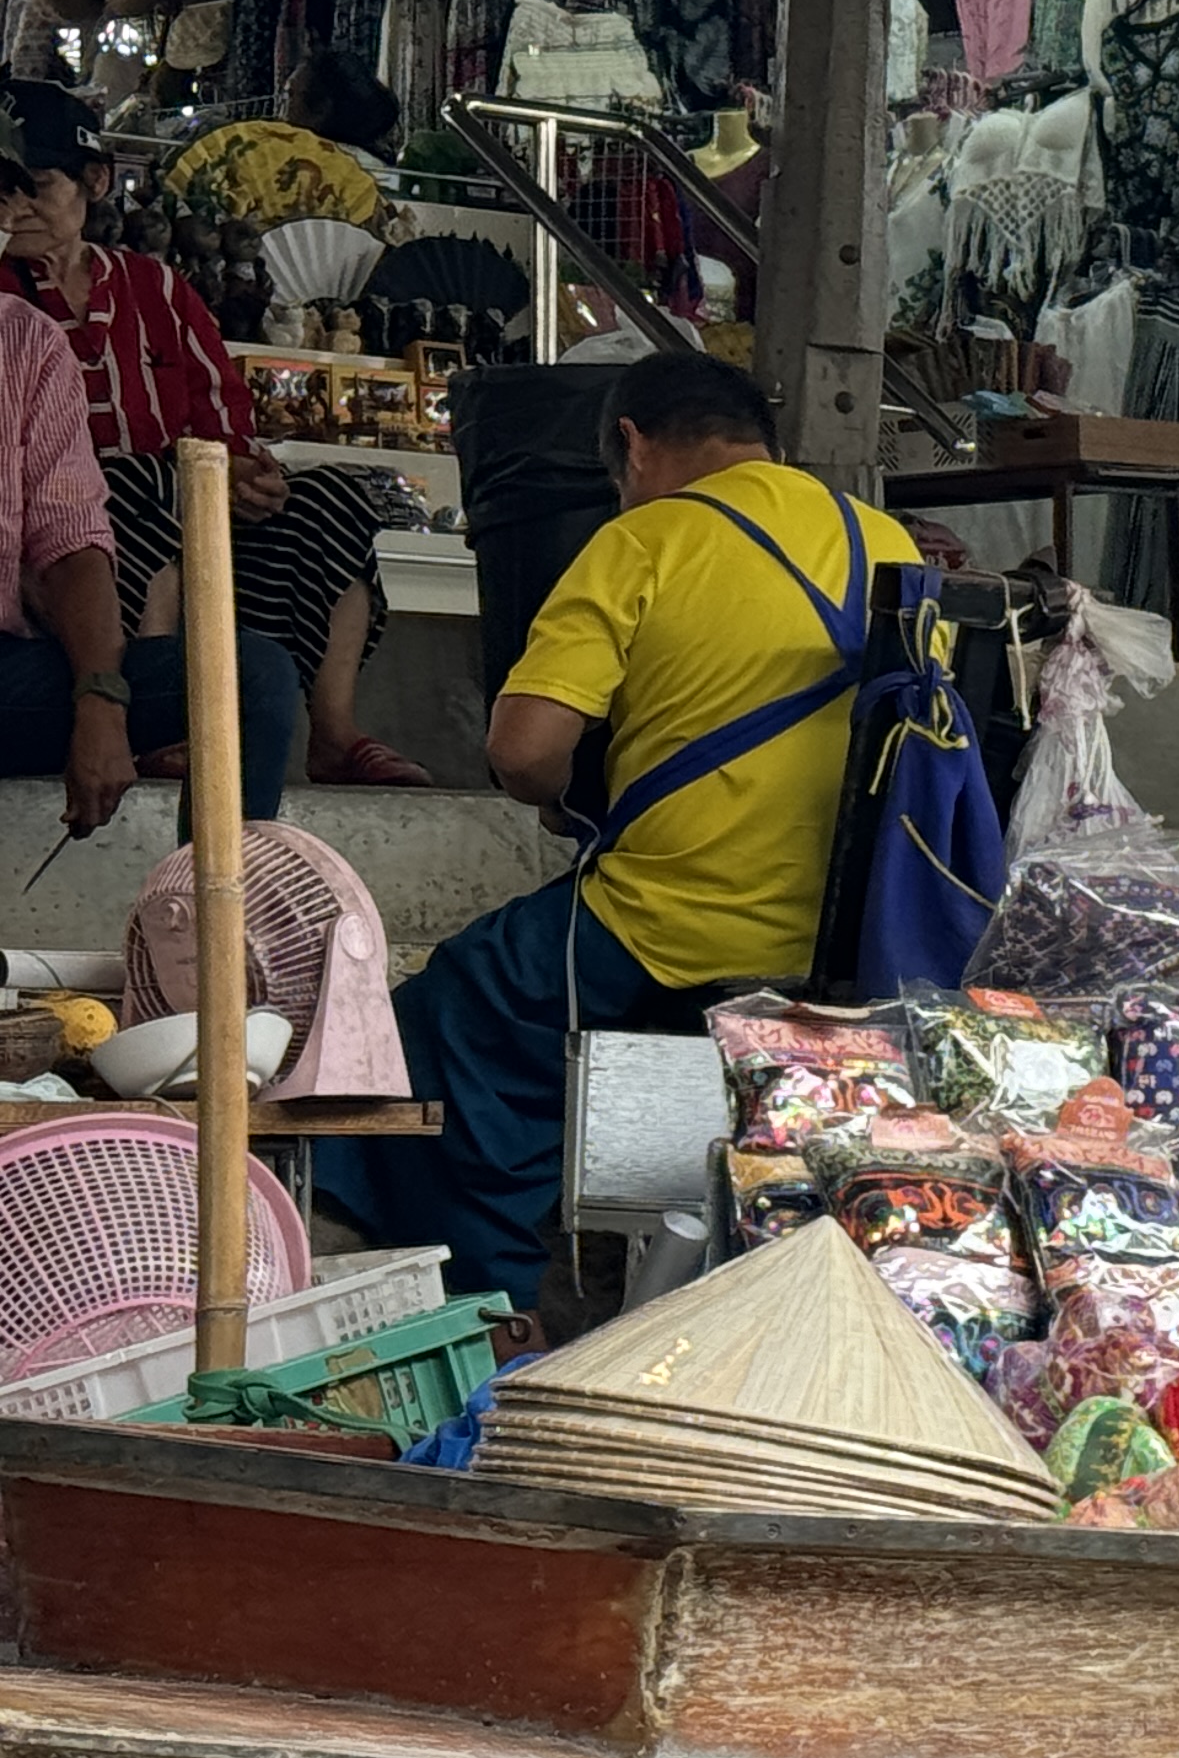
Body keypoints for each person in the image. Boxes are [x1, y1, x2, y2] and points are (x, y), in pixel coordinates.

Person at [313, 351, 918, 1308]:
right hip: (862, 944)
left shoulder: (647, 538)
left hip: (672, 930)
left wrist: (566, 796)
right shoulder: (888, 540)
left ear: (631, 445)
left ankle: (492, 1300)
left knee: (460, 1008)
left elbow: (522, 752)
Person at [2, 92, 426, 788]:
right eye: (4, 192)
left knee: (332, 502)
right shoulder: (7, 305)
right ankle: (155, 724)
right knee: (142, 491)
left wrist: (247, 477)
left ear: (96, 182)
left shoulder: (157, 289)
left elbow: (223, 416)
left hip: (194, 517)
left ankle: (335, 732)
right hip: (72, 554)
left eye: (37, 187)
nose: (18, 210)